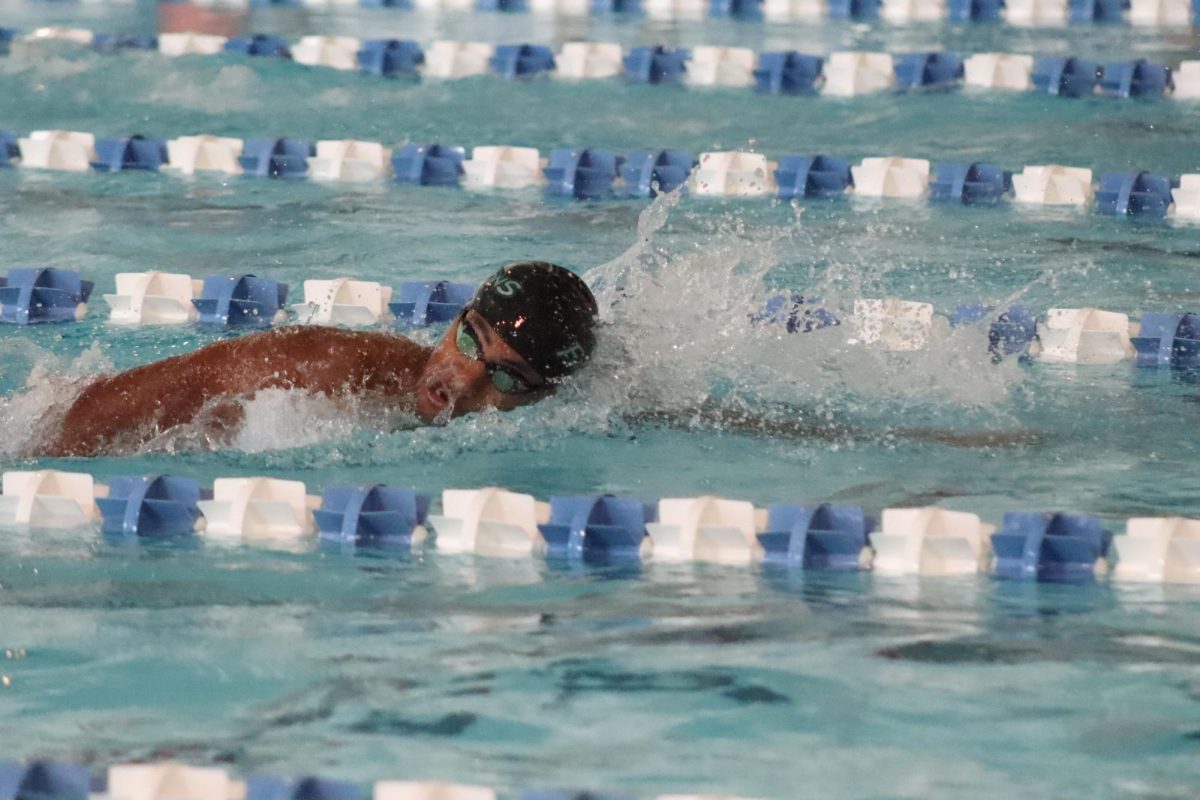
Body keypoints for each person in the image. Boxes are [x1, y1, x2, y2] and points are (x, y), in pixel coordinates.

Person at [41, 261, 599, 457]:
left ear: (542, 394)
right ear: (455, 319)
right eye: (471, 340)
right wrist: (45, 462)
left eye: (505, 374)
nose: (465, 375)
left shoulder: (560, 416)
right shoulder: (325, 367)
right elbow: (179, 384)